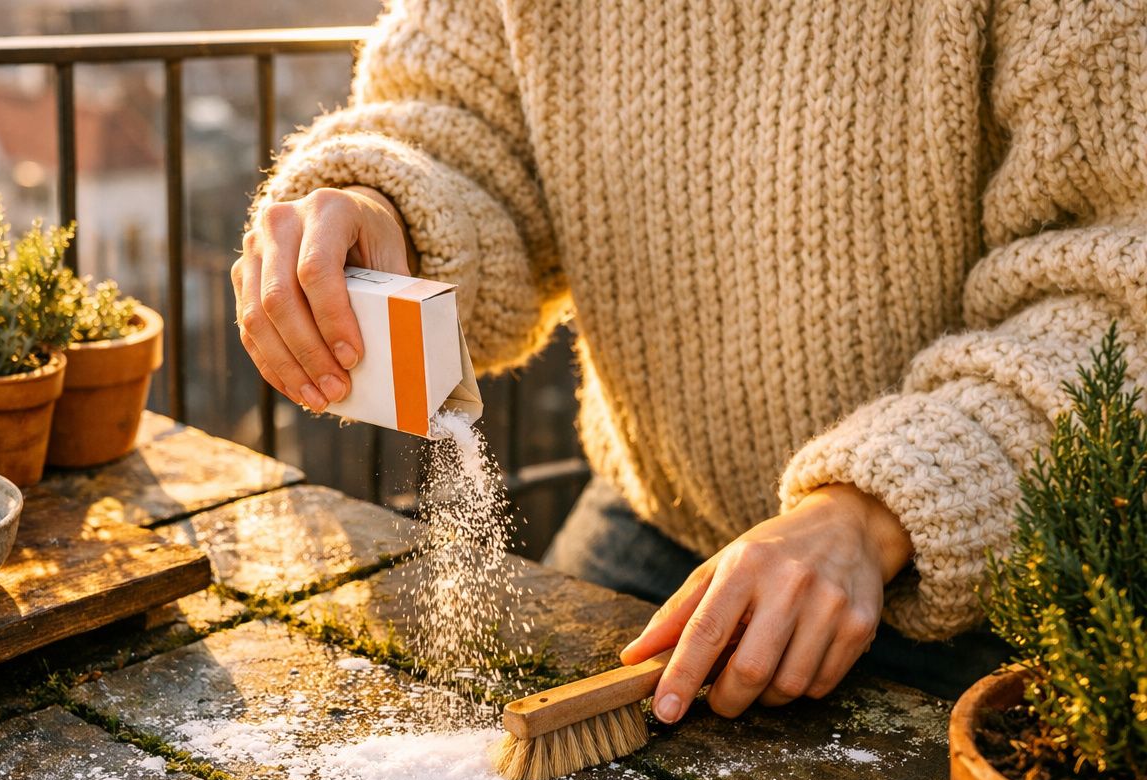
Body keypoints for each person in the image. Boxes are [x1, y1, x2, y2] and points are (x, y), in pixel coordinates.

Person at [231, 0, 1147, 720]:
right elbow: (452, 122)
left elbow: (1120, 289)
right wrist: (379, 204)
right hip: (660, 524)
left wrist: (874, 511)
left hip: (999, 593)